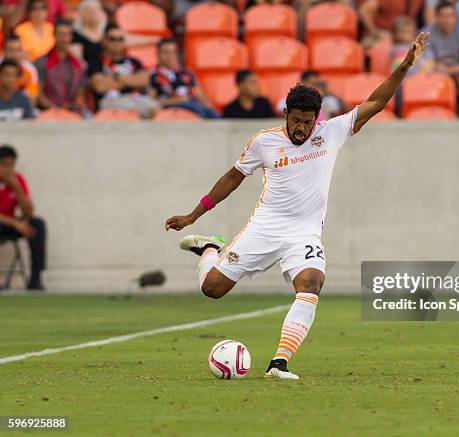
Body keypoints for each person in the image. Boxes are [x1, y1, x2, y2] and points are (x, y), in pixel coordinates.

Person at [164, 33, 430, 380]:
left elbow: (375, 102)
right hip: (265, 226)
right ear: (286, 113)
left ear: (316, 118)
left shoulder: (331, 133)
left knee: (311, 282)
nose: (302, 128)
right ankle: (210, 248)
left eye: (308, 121)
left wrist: (405, 66)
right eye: (296, 120)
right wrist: (193, 214)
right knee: (212, 290)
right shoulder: (264, 142)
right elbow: (232, 177)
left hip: (303, 232)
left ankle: (279, 363)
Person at [0, 145, 46, 290]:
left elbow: (29, 211)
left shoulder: (17, 180)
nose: (8, 169)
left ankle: (35, 278)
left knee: (37, 225)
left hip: (11, 225)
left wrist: (17, 188)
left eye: (12, 165)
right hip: (5, 223)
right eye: (4, 165)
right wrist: (15, 223)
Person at [87, 24, 158, 118]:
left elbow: (144, 80)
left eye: (120, 39)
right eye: (112, 39)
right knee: (132, 111)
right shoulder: (96, 63)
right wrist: (131, 80)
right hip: (110, 101)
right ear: (104, 41)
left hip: (135, 98)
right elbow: (100, 86)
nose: (117, 42)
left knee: (157, 109)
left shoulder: (134, 61)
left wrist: (116, 78)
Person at [149, 38, 218, 118]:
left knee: (210, 111)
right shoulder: (151, 76)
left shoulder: (188, 73)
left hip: (193, 106)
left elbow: (198, 94)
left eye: (173, 52)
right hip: (169, 109)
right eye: (166, 52)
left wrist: (205, 102)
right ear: (158, 54)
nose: (170, 56)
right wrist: (175, 100)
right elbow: (151, 103)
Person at [423, 0, 459, 94]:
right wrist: (439, 70)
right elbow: (427, 61)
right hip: (437, 70)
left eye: (450, 16)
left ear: (456, 17)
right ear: (436, 17)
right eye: (443, 16)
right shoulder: (426, 33)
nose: (446, 20)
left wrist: (448, 71)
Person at [35, 19, 85, 112]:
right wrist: (56, 110)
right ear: (54, 35)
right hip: (49, 112)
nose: (64, 38)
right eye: (61, 34)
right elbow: (38, 94)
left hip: (72, 112)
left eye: (67, 34)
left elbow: (80, 92)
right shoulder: (42, 62)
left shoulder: (78, 64)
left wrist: (77, 105)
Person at [275, 71, 343, 121]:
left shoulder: (329, 101)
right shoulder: (287, 100)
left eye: (316, 84)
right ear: (302, 83)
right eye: (311, 83)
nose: (313, 87)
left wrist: (328, 92)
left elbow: (344, 115)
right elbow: (279, 118)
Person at [359, 0, 423, 47]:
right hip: (384, 35)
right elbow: (364, 11)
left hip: (405, 35)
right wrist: (375, 32)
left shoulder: (417, 2)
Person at [0, 34, 39, 104]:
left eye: (18, 50)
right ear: (3, 51)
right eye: (11, 50)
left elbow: (32, 100)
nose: (15, 54)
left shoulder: (30, 69)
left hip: (22, 110)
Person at [72, 0, 106, 67]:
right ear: (81, 13)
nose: (93, 13)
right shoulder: (76, 34)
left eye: (95, 10)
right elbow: (78, 59)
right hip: (88, 70)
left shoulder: (107, 30)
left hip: (108, 68)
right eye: (88, 10)